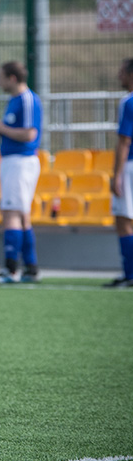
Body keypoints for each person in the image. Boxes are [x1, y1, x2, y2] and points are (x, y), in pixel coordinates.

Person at [0, 61, 42, 284]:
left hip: (21, 162)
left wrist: (1, 129)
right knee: (22, 216)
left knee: (10, 214)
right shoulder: (14, 101)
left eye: (1, 77)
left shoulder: (27, 99)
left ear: (12, 78)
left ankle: (11, 270)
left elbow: (29, 134)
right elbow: (14, 132)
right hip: (12, 161)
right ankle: (31, 267)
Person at [105, 58, 133, 288]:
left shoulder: (129, 101)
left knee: (124, 221)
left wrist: (117, 175)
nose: (119, 76)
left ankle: (130, 275)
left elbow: (124, 141)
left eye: (122, 72)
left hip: (131, 166)